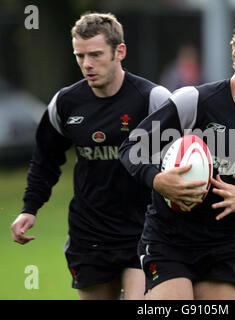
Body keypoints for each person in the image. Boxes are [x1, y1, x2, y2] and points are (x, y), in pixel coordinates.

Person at [119, 13, 235, 300]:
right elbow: (131, 149)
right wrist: (158, 180)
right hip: (169, 241)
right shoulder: (194, 102)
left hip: (220, 250)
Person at [10, 12, 172, 300]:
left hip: (145, 230)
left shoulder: (153, 99)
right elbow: (45, 160)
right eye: (80, 55)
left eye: (95, 54)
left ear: (119, 52)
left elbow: (188, 155)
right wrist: (29, 208)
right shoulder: (65, 103)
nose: (87, 64)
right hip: (89, 235)